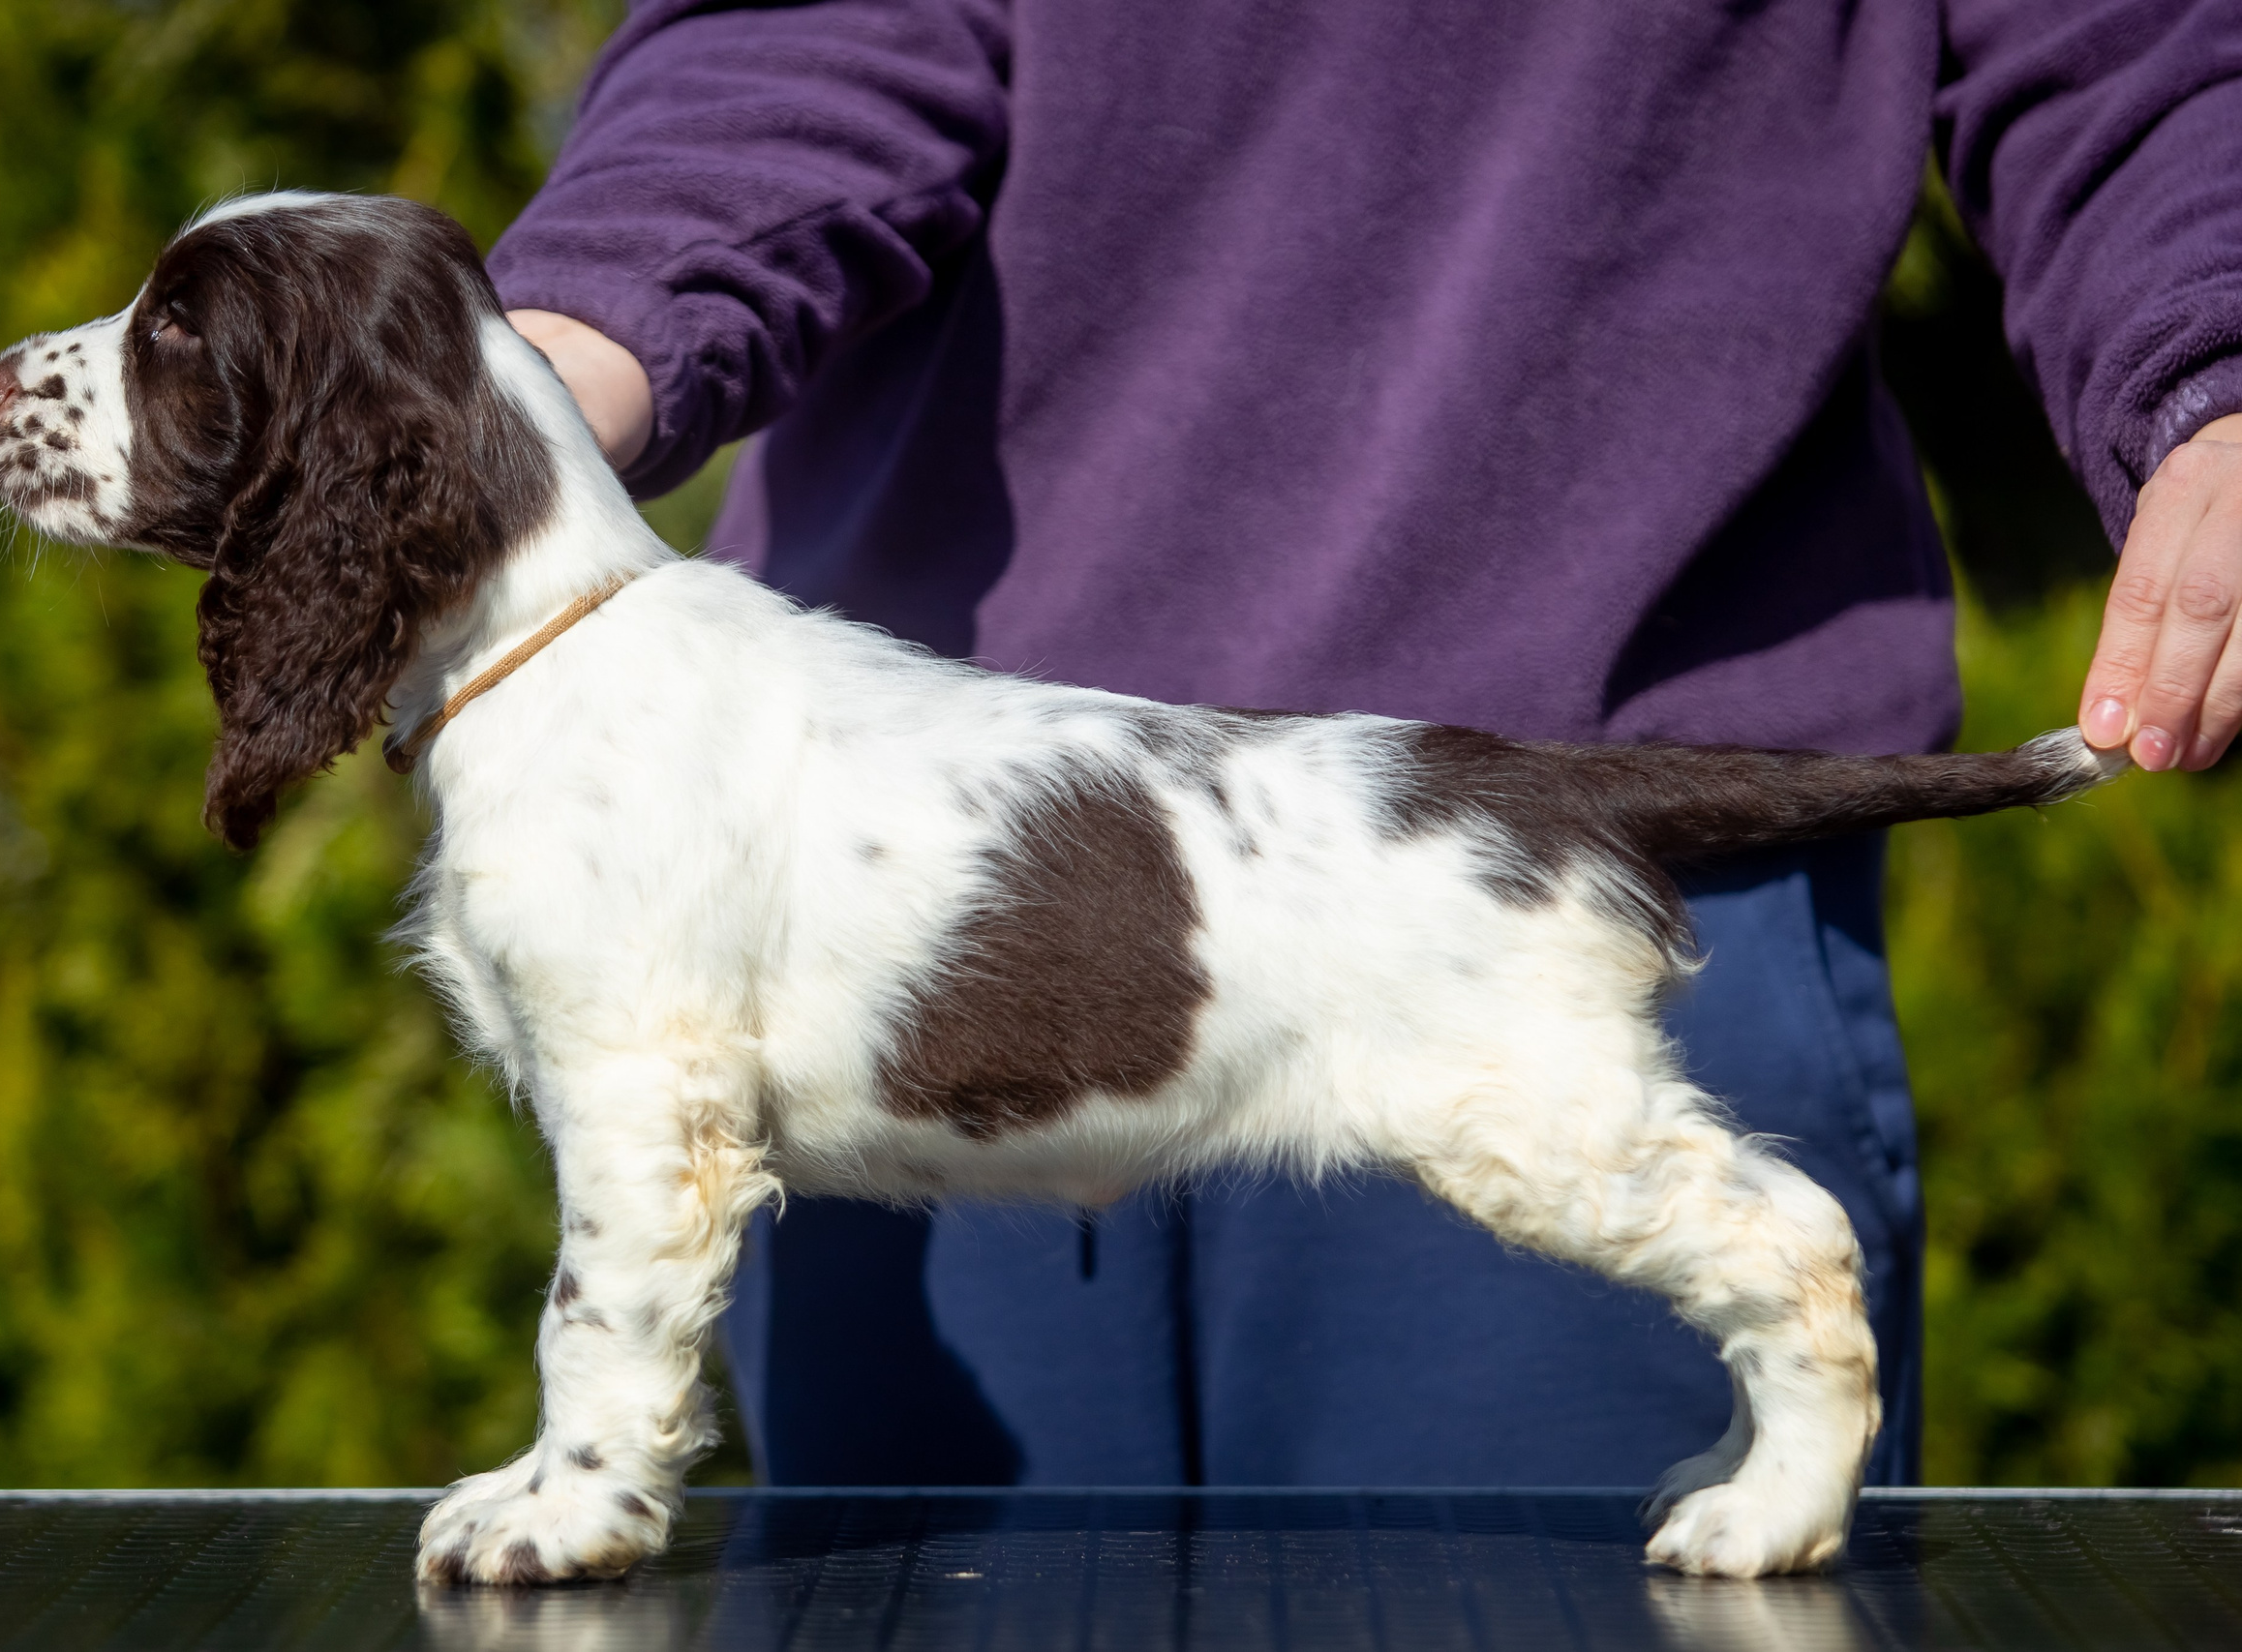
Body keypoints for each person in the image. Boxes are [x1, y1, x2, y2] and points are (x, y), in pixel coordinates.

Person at [482, 0, 2242, 1488]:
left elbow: (2138, 47)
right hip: (904, 895)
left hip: (1566, 848)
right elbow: (799, 36)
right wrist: (548, 367)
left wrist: (2218, 370)